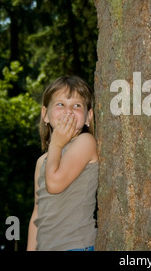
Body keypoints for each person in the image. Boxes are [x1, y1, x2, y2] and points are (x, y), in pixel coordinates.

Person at [27, 76, 99, 251]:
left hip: (75, 246)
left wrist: (57, 144)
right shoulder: (42, 161)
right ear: (45, 114)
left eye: (77, 106)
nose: (68, 111)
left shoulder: (85, 142)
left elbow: (54, 184)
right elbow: (38, 214)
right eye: (60, 104)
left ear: (88, 116)